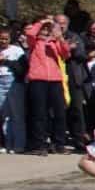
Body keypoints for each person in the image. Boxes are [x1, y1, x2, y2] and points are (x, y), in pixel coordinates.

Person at [23, 15, 69, 154]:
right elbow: (30, 33)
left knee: (59, 112)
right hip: (38, 79)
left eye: (48, 29)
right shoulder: (34, 42)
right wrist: (42, 22)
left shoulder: (55, 43)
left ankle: (59, 143)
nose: (46, 31)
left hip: (55, 79)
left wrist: (59, 37)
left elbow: (66, 54)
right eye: (44, 29)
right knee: (39, 113)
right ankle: (39, 145)